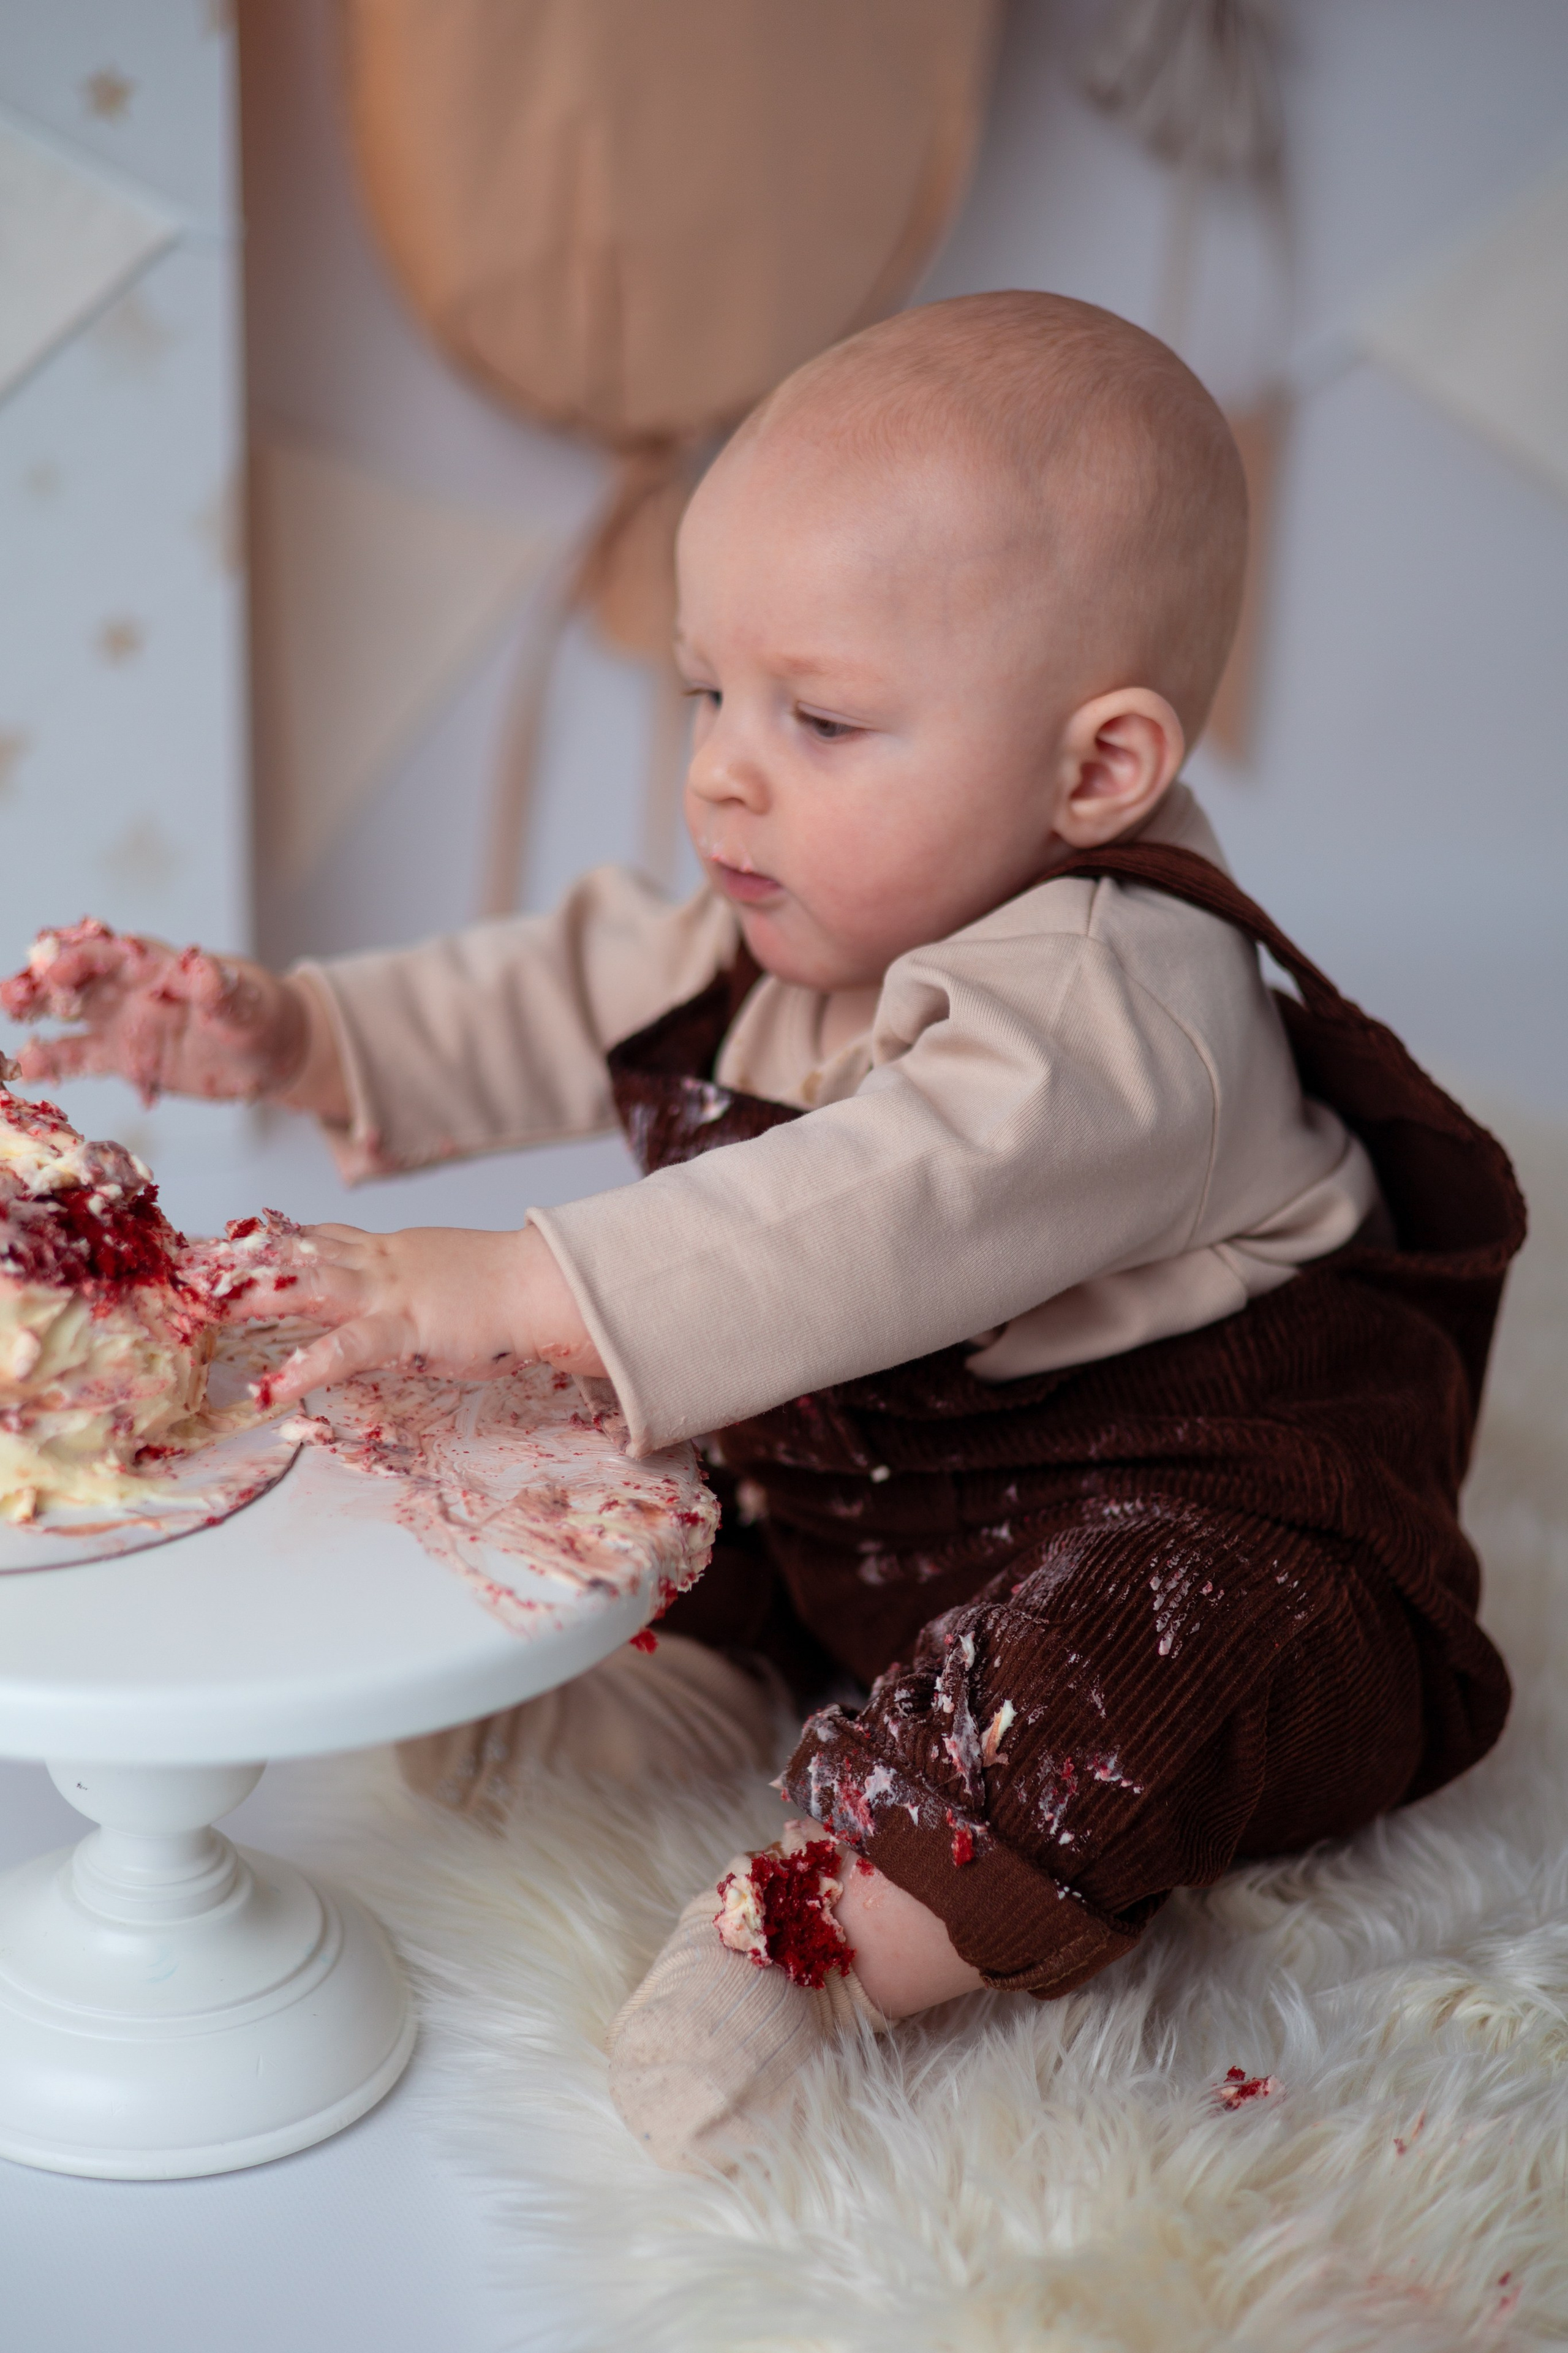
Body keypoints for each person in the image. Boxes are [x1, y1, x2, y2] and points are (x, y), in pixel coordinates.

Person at [3, 293, 1522, 2174]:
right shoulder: (804, 920)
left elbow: (880, 1207)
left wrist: (519, 1279)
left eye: (819, 716)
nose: (722, 767)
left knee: (1129, 1663)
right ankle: (707, 1670)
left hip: (1194, 1514)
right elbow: (566, 986)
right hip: (882, 1515)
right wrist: (299, 1026)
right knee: (687, 1485)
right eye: (705, 688)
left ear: (1098, 771)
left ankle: (815, 1938)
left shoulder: (1128, 1006)